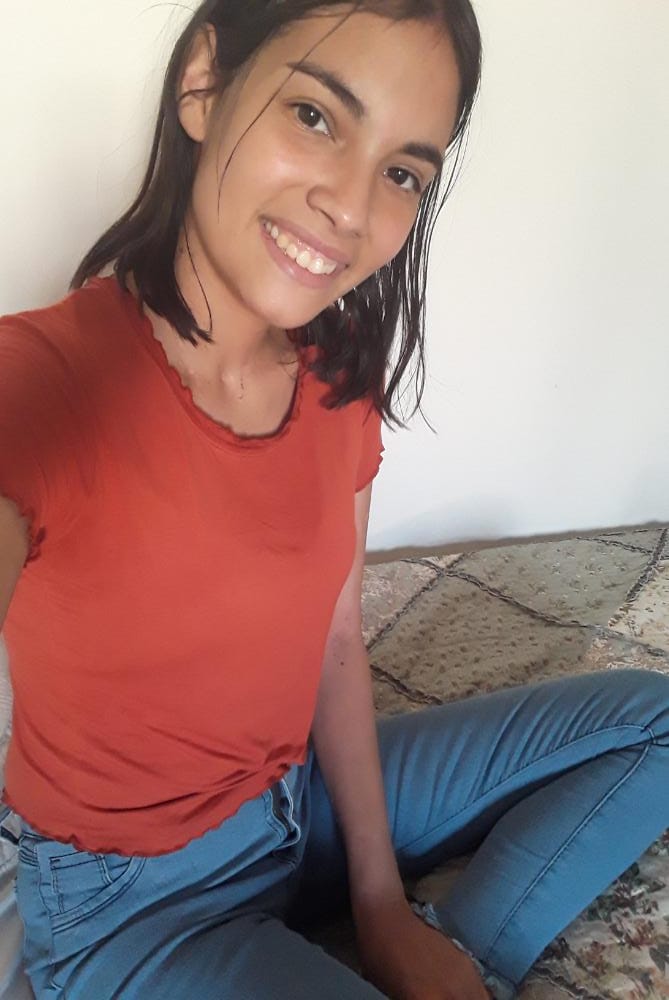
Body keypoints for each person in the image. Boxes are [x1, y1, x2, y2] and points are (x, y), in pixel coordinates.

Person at [0, 1, 667, 997]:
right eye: (315, 116)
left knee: (655, 720)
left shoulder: (335, 381)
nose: (352, 208)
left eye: (402, 172)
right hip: (131, 906)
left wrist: (382, 904)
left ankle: (460, 958)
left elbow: (338, 636)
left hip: (296, 804)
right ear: (203, 83)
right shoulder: (41, 384)